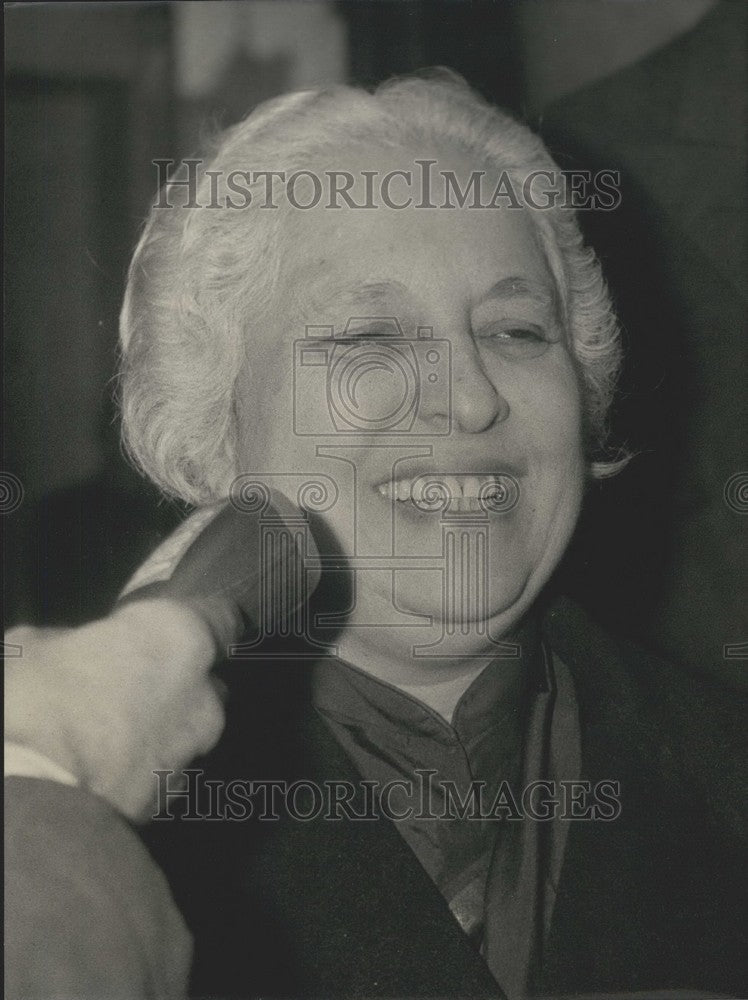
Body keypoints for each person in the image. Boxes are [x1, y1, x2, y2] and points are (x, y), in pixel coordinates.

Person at [5, 71, 746, 999]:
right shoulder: (65, 814)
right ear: (212, 421)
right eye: (366, 337)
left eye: (517, 330)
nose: (471, 399)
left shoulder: (721, 772)